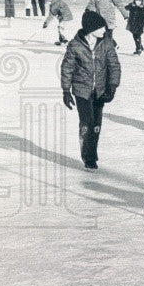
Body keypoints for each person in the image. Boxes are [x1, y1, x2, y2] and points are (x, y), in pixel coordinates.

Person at [60, 10, 121, 170]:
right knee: (86, 123)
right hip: (82, 90)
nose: (104, 31)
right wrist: (66, 91)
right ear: (91, 29)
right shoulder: (75, 45)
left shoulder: (107, 43)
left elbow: (114, 66)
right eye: (101, 28)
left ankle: (92, 153)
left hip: (100, 90)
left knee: (96, 125)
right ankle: (89, 157)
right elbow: (67, 68)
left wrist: (112, 86)